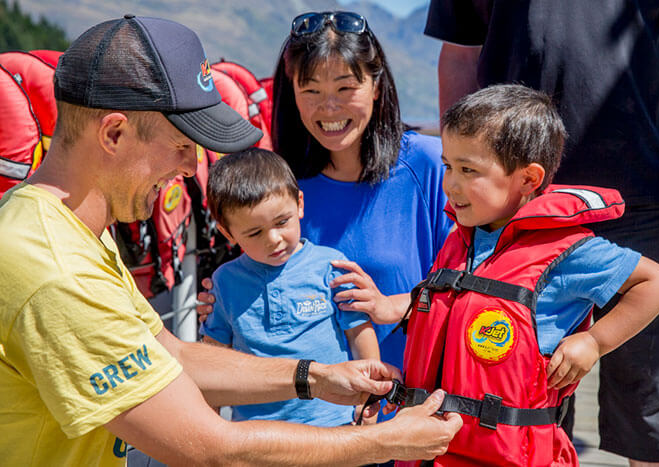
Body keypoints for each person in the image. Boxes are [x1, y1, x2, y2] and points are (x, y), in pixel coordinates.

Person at [0, 15, 463, 467]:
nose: (189, 167)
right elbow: (209, 448)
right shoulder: (57, 271)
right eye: (182, 144)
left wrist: (317, 376)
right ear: (114, 133)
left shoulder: (66, 230)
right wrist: (386, 441)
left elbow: (175, 354)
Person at [423, 1, 659, 464]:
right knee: (509, 379)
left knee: (649, 390)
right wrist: (462, 171)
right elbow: (461, 51)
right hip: (508, 194)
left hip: (634, 175)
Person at [385, 84, 659, 466]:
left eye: (468, 170)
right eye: (448, 166)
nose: (450, 184)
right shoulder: (463, 240)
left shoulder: (569, 252)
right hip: (431, 452)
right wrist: (382, 306)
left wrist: (593, 342)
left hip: (513, 456)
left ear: (527, 179)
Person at [199, 11, 453, 390]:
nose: (329, 108)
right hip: (314, 428)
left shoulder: (430, 165)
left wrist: (393, 305)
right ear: (292, 94)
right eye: (312, 91)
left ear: (377, 86)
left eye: (346, 88)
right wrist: (230, 302)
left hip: (413, 408)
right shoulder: (281, 186)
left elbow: (476, 278)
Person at [200, 147, 380, 426]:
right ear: (227, 232)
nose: (273, 239)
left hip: (335, 424)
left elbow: (359, 332)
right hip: (256, 434)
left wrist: (369, 397)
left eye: (281, 222)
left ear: (299, 204)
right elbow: (213, 357)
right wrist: (208, 425)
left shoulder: (332, 266)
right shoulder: (224, 282)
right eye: (254, 232)